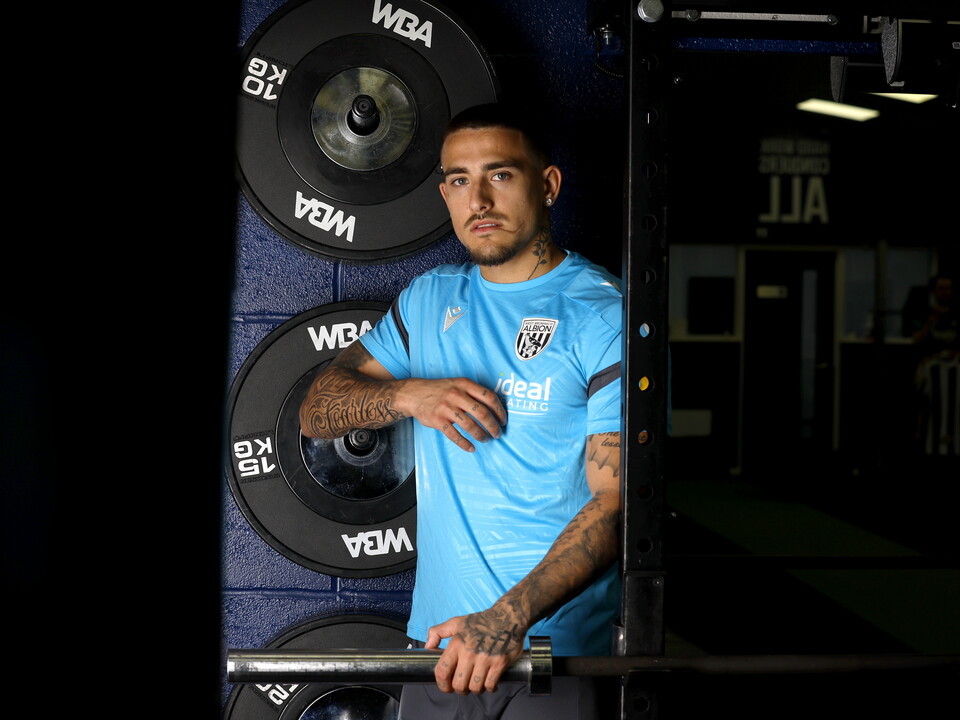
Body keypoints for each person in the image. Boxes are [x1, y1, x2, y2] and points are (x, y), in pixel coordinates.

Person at [299, 102, 623, 719]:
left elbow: (617, 503)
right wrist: (407, 394)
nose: (478, 200)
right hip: (441, 649)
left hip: (551, 653)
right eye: (458, 180)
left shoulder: (605, 315)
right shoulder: (429, 300)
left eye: (500, 175)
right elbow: (316, 412)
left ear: (548, 186)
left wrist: (505, 620)